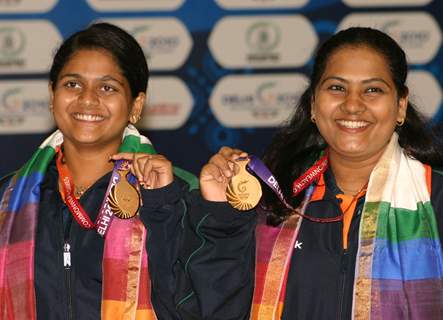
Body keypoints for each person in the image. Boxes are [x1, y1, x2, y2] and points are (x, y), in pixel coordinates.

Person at [197, 27, 443, 319]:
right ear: (313, 104)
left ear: (400, 105)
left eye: (373, 90)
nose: (353, 105)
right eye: (337, 88)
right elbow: (220, 308)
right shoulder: (274, 201)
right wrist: (223, 215)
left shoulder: (435, 200)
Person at [0, 22, 200, 320]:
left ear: (136, 105)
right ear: (52, 95)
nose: (88, 98)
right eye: (72, 84)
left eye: (107, 87)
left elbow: (200, 305)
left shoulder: (176, 194)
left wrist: (164, 210)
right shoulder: (9, 200)